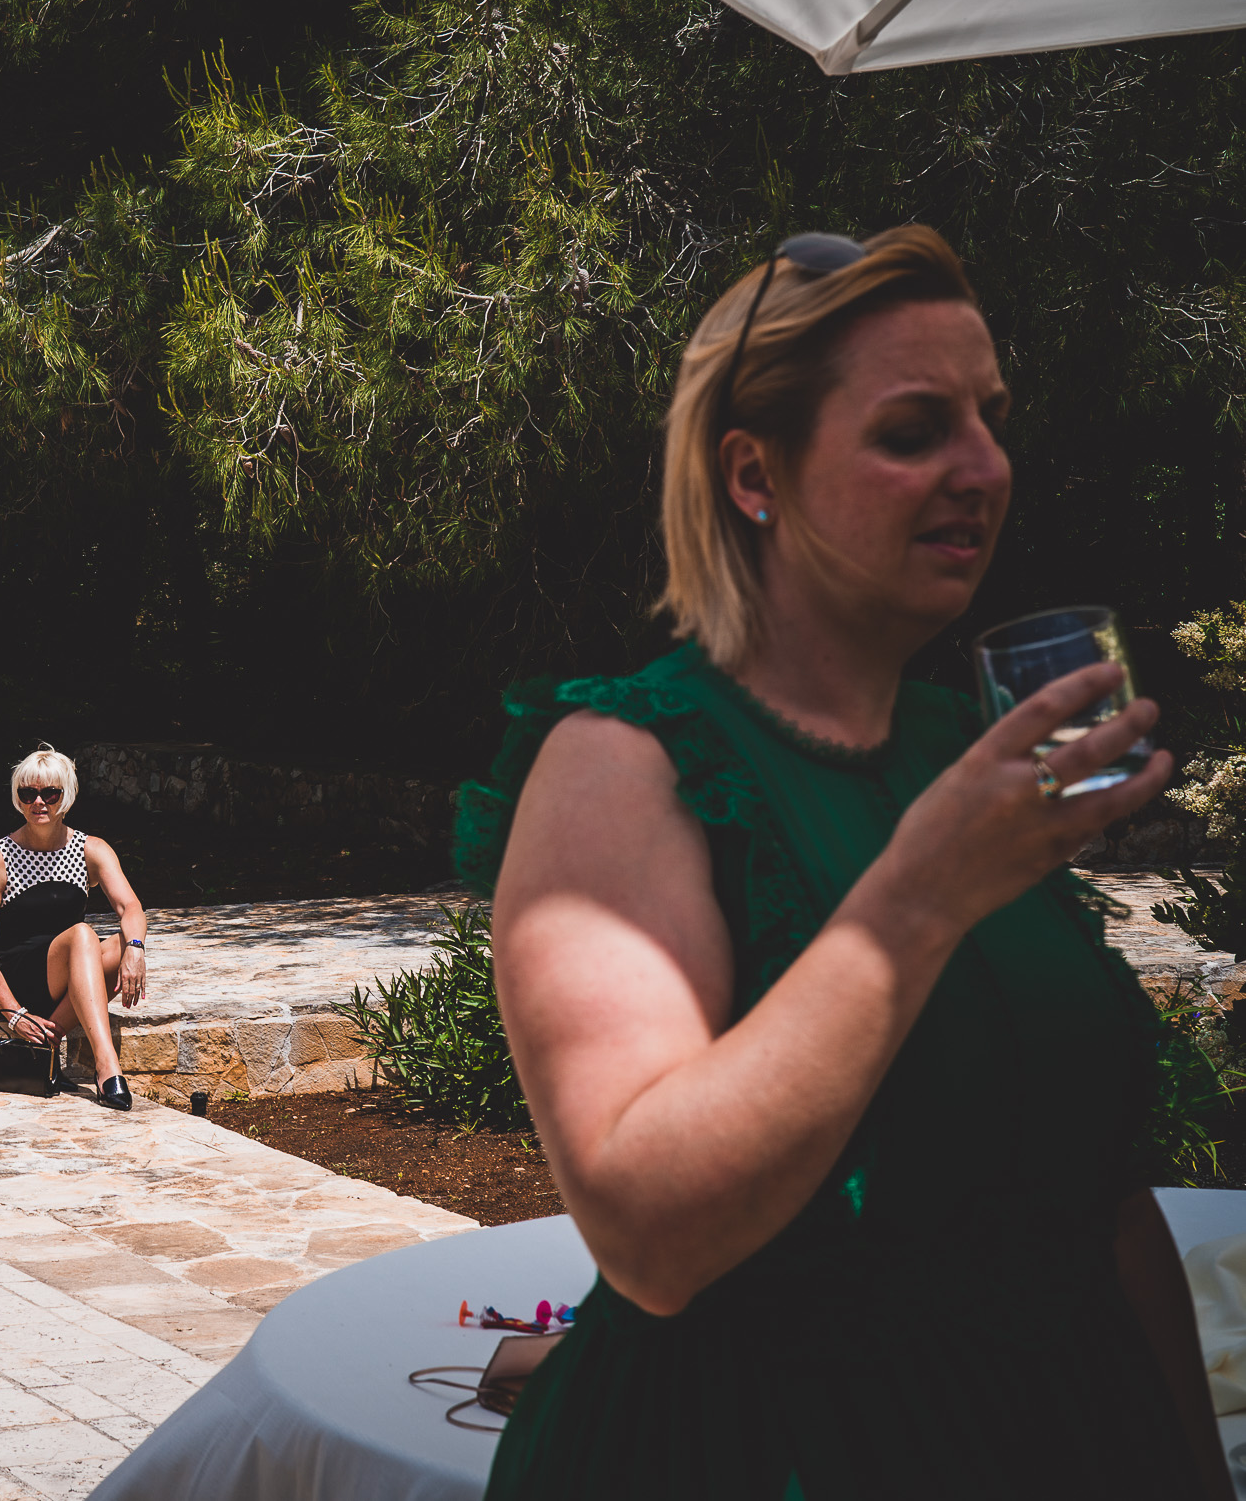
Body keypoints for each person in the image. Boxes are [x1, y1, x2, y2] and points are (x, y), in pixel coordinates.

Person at [460, 226, 1224, 1498]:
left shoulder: (964, 748)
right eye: (914, 430)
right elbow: (651, 1232)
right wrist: (922, 889)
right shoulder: (623, 762)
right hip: (756, 1451)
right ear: (754, 475)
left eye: (988, 417)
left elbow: (1091, 1188)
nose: (984, 465)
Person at [0, 745, 149, 1111]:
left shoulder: (89, 849)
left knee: (117, 944)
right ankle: (107, 1067)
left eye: (50, 793)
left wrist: (136, 949)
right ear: (17, 798)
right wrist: (12, 1012)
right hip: (17, 974)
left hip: (69, 967)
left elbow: (130, 907)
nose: (39, 803)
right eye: (28, 793)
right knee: (84, 934)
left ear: (67, 796)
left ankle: (45, 1042)